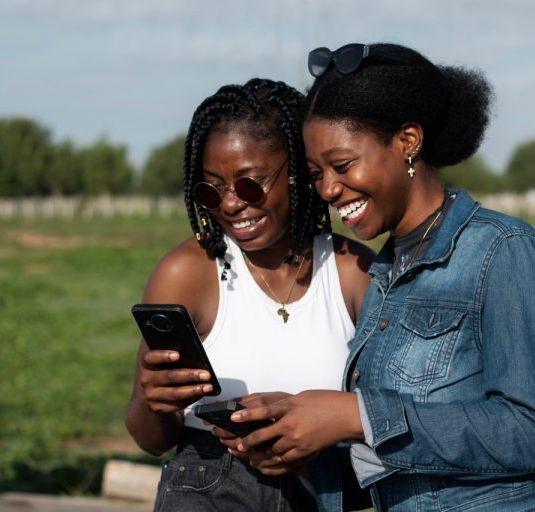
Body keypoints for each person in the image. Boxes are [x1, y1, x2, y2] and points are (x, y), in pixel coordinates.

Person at [230, 43, 535, 512]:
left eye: (343, 165)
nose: (328, 189)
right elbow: (400, 468)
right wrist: (301, 453)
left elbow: (534, 435)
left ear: (408, 142)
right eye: (315, 173)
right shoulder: (386, 272)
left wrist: (357, 416)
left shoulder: (502, 250)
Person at [124, 78, 374, 512]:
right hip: (205, 486)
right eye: (211, 189)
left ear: (297, 172)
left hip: (320, 488)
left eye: (249, 184)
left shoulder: (354, 271)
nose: (230, 204)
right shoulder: (186, 273)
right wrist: (154, 403)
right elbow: (150, 440)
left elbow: (384, 419)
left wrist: (313, 451)